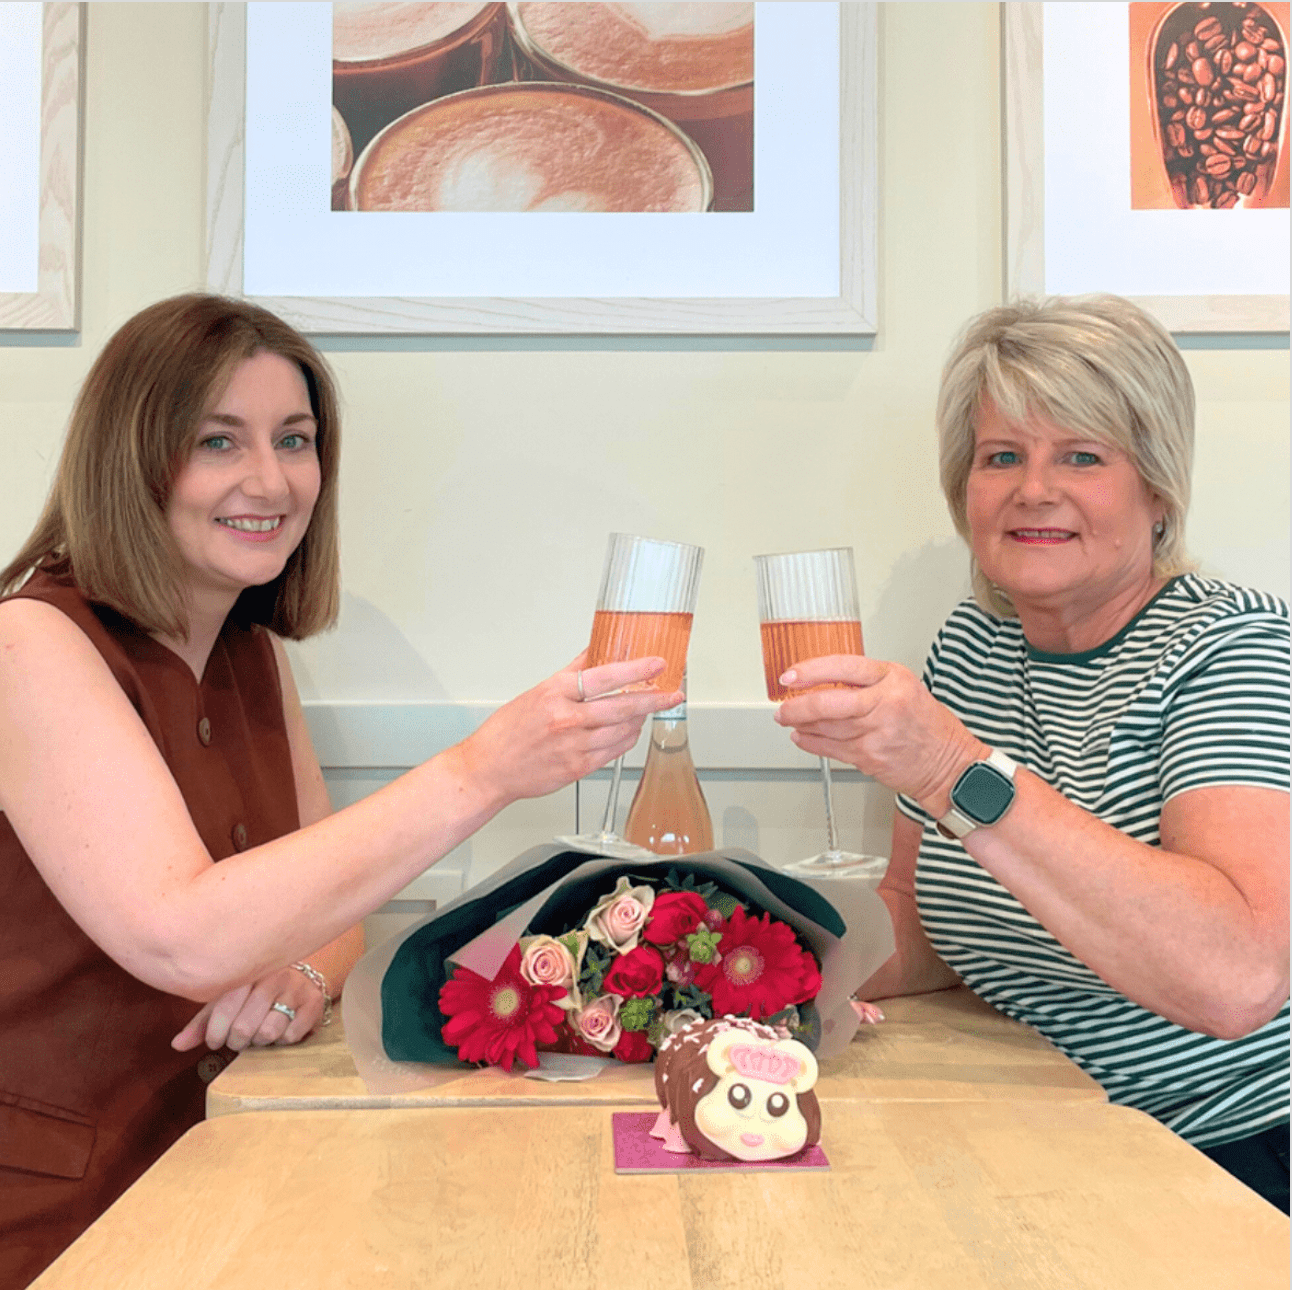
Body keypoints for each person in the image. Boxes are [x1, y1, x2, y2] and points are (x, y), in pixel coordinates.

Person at [0, 294, 679, 1288]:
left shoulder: (252, 654)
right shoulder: (30, 645)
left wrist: (301, 980)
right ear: (132, 457)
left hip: (222, 1171)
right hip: (56, 1213)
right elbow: (177, 934)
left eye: (295, 440)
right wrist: (481, 769)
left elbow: (332, 918)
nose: (270, 480)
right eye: (218, 441)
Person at [775, 295, 1289, 1211]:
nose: (1033, 490)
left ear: (1158, 487)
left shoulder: (1235, 647)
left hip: (1226, 1155)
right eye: (1001, 456)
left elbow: (1238, 978)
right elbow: (921, 921)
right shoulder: (973, 644)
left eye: (1082, 456)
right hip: (1033, 1133)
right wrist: (752, 964)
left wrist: (952, 771)